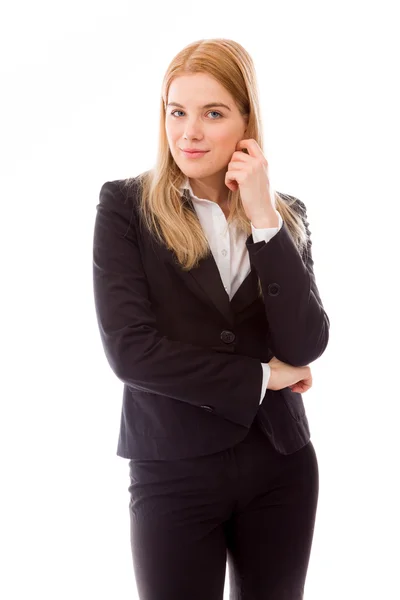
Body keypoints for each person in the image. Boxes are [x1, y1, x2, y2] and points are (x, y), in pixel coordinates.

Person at [92, 38, 330, 600]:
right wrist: (262, 376)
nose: (189, 132)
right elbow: (131, 351)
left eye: (213, 113)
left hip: (280, 465)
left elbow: (306, 341)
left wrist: (264, 212)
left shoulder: (284, 214)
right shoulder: (126, 207)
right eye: (177, 112)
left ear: (248, 121)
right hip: (171, 467)